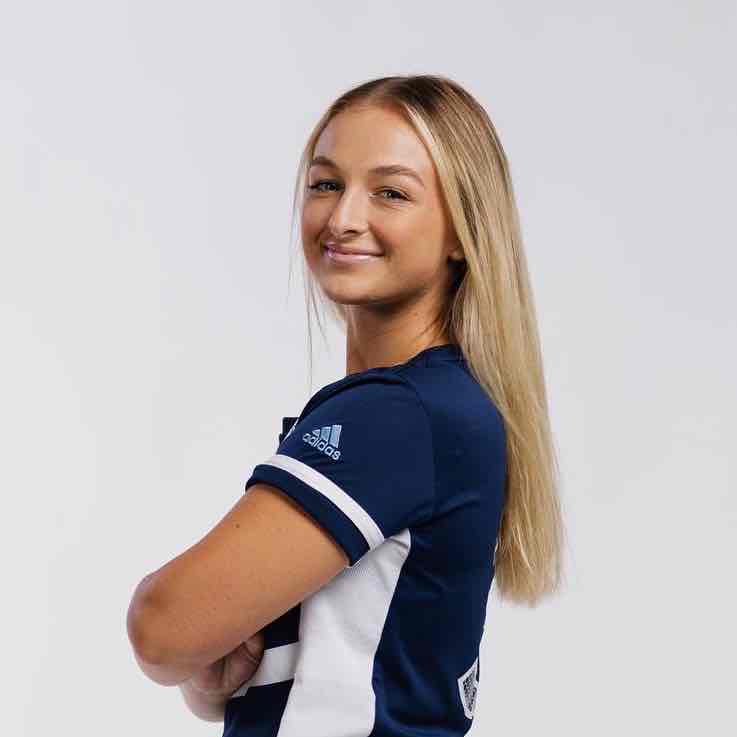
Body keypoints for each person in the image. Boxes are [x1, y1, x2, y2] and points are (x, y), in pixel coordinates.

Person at [127, 74, 565, 735]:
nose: (343, 218)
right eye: (326, 183)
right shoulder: (438, 404)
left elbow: (160, 628)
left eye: (391, 192)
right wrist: (211, 674)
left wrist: (182, 642)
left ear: (461, 229)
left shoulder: (398, 416)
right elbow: (262, 663)